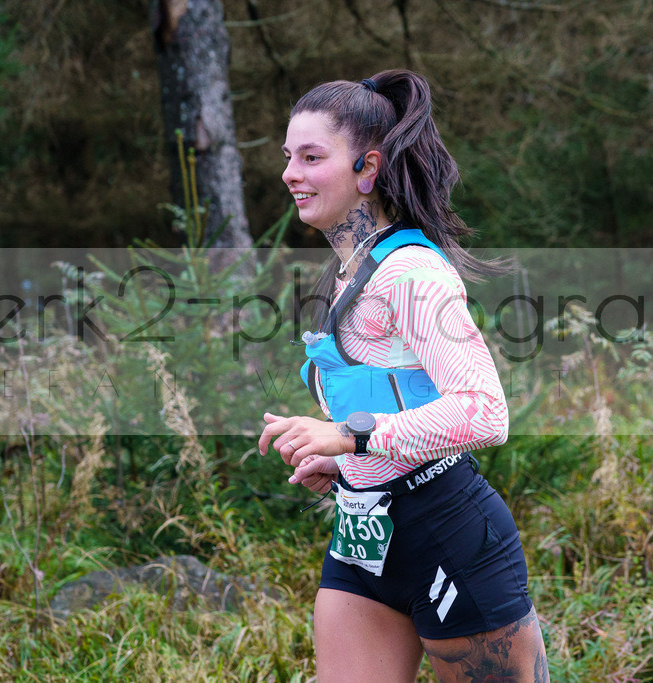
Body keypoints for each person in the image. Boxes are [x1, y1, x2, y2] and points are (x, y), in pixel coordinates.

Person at [258, 69, 549, 682]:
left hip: (449, 539)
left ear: (368, 168)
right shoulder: (343, 275)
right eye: (288, 156)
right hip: (365, 540)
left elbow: (484, 411)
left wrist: (350, 436)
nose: (289, 173)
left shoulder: (411, 273)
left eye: (311, 157)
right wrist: (346, 464)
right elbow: (404, 401)